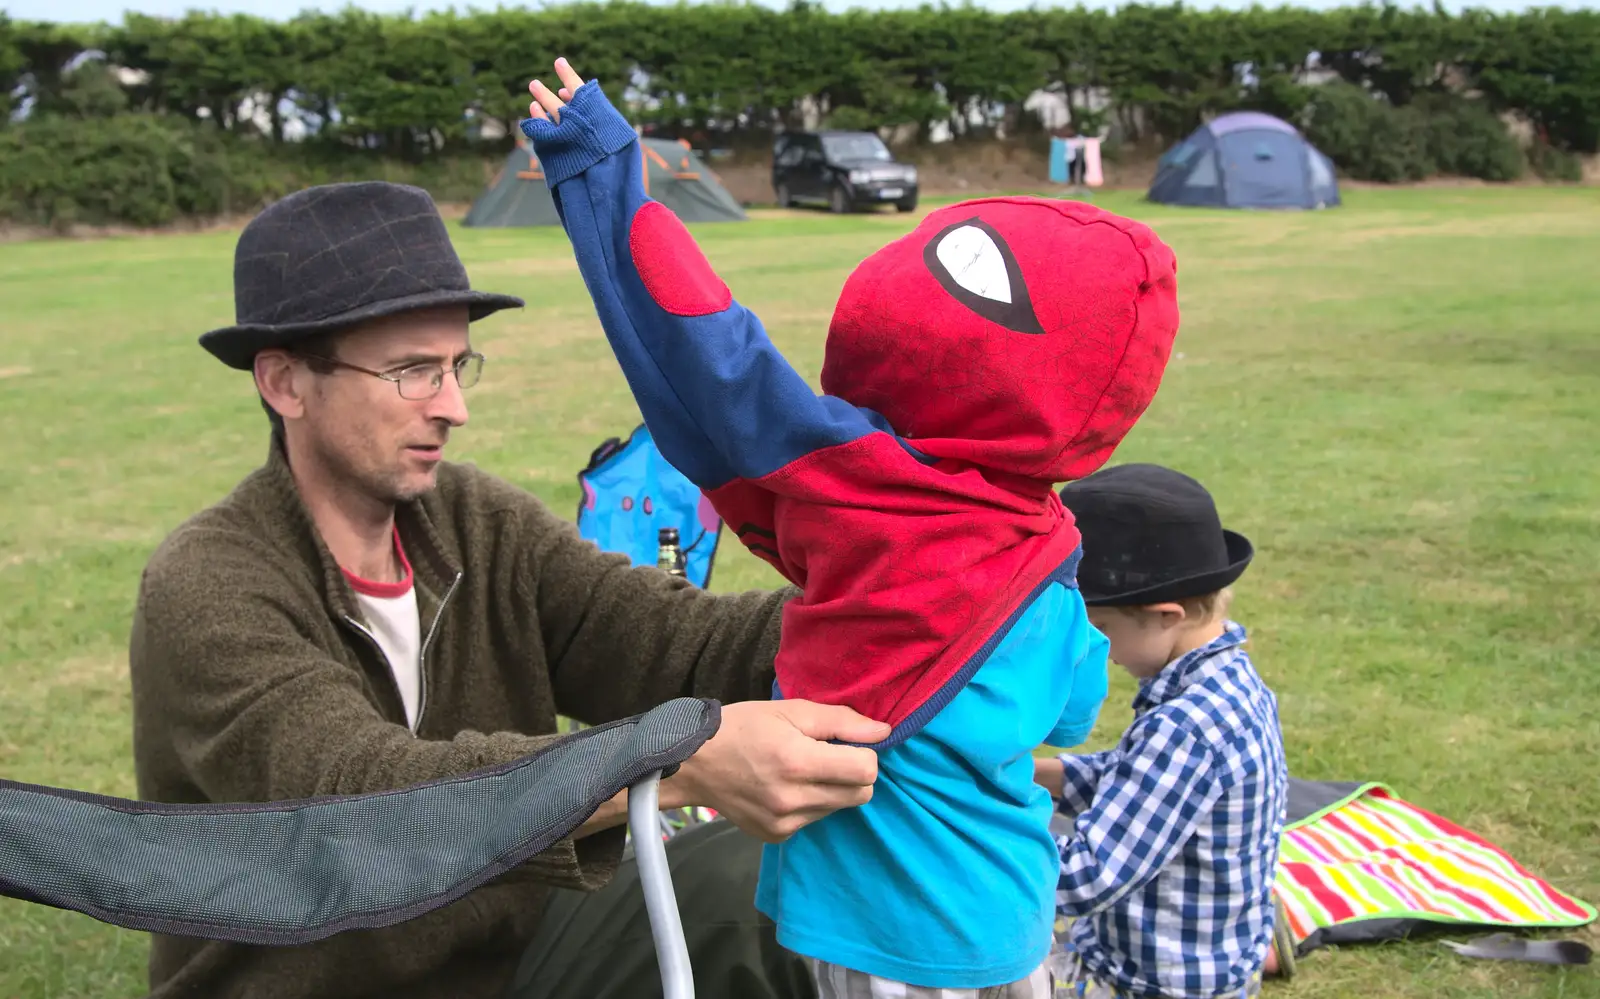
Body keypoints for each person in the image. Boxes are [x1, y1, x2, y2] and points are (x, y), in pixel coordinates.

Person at [126, 178, 891, 999]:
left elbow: (680, 644)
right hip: (318, 982)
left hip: (509, 953)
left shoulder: (475, 520)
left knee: (769, 880)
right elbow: (362, 805)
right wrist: (677, 764)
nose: (453, 407)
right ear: (284, 383)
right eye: (414, 371)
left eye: (458, 366)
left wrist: (906, 600)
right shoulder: (207, 584)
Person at [520, 59, 1180, 999]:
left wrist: (598, 165)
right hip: (1014, 917)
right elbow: (1074, 712)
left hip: (888, 938)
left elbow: (706, 347)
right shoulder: (1049, 543)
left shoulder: (867, 490)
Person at [1037, 463, 1290, 999]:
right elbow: (1134, 776)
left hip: (1149, 983)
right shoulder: (1225, 680)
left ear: (1166, 615)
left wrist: (978, 845)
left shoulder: (1188, 727)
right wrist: (1037, 773)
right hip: (1205, 953)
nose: (1089, 647)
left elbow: (1087, 876)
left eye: (1101, 629)